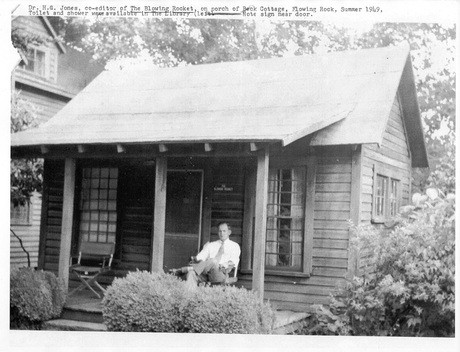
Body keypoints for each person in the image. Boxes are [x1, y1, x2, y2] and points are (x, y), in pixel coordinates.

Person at [170, 222, 240, 287]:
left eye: (224, 231)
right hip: (206, 273)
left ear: (229, 232)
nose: (222, 233)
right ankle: (189, 296)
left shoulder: (234, 246)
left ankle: (183, 270)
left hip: (221, 274)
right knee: (191, 273)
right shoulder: (211, 245)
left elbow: (234, 261)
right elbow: (199, 258)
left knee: (213, 261)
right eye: (220, 231)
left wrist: (225, 264)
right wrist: (197, 258)